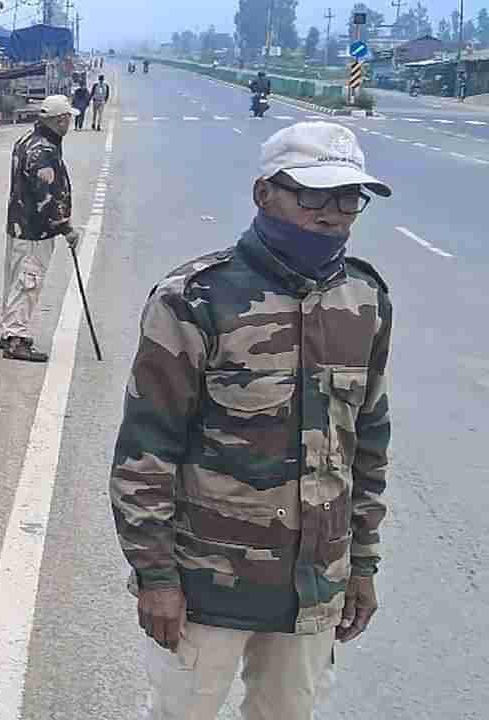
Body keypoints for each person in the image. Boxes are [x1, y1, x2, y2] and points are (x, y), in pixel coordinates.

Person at [110, 122, 393, 720]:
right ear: (265, 193)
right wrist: (156, 576)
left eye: (348, 197)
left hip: (314, 586)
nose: (332, 214)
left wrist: (360, 567)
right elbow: (145, 450)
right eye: (313, 194)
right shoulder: (194, 299)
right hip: (206, 586)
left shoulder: (365, 300)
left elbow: (367, 447)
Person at [1, 95, 82, 362]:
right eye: (69, 118)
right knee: (28, 282)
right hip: (35, 229)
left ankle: (10, 330)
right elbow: (46, 196)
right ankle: (16, 338)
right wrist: (65, 227)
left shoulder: (28, 139)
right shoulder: (43, 150)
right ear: (60, 120)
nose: (71, 122)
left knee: (17, 280)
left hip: (19, 224)